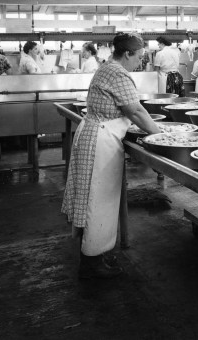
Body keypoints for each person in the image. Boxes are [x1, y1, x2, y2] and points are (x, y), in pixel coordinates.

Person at [61, 32, 161, 279]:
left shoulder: (107, 68)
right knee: (98, 200)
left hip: (96, 135)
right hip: (100, 141)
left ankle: (95, 254)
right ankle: (92, 263)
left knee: (94, 198)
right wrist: (162, 135)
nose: (140, 61)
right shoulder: (117, 72)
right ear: (127, 53)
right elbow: (135, 111)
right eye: (139, 56)